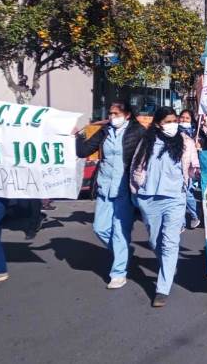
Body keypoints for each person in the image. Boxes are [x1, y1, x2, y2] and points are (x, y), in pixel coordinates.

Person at [131, 107, 199, 307]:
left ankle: (162, 288)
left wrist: (197, 168)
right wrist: (137, 189)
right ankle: (167, 266)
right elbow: (137, 165)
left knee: (170, 243)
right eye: (168, 121)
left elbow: (195, 167)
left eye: (175, 120)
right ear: (159, 123)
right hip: (149, 197)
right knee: (155, 241)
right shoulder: (147, 141)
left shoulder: (186, 142)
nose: (173, 124)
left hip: (175, 199)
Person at [76, 100, 145, 290]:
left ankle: (118, 273)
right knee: (100, 228)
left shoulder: (137, 132)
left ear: (127, 115)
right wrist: (79, 135)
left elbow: (148, 153)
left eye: (115, 113)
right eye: (110, 114)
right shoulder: (105, 131)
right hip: (104, 187)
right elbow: (83, 151)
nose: (112, 117)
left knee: (120, 232)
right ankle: (122, 252)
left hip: (124, 188)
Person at [178, 110, 202, 230]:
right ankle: (180, 223)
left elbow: (196, 156)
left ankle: (195, 215)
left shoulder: (196, 135)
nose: (183, 120)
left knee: (188, 195)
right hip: (176, 170)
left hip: (189, 170)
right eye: (182, 117)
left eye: (187, 118)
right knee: (179, 197)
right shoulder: (174, 133)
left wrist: (199, 147)